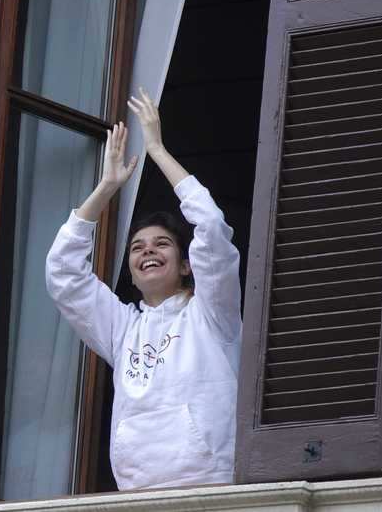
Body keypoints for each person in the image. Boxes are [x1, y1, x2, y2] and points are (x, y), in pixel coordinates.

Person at [45, 88, 242, 490]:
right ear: (131, 275)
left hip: (212, 485)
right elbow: (63, 273)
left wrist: (158, 152)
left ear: (187, 265)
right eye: (137, 248)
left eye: (161, 244)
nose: (148, 250)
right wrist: (106, 188)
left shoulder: (212, 313)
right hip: (136, 491)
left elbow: (212, 229)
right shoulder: (123, 329)